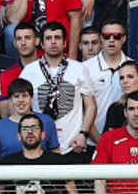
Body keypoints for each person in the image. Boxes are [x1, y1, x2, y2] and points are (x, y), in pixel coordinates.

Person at [19, 21, 96, 162]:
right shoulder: (29, 71)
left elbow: (90, 105)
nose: (53, 42)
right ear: (41, 43)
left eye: (57, 38)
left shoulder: (78, 68)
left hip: (73, 144)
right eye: (48, 38)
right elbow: (21, 106)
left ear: (65, 42)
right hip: (40, 145)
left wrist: (83, 134)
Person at [83, 20, 132, 135]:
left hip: (125, 140)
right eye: (106, 36)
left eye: (116, 36)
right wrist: (100, 142)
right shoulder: (85, 68)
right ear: (101, 39)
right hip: (90, 140)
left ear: (124, 39)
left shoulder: (135, 67)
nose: (111, 40)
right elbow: (81, 109)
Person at [0, 22, 39, 117]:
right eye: (19, 39)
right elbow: (4, 112)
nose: (23, 43)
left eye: (28, 38)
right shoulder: (7, 74)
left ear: (36, 41)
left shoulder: (49, 68)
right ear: (15, 43)